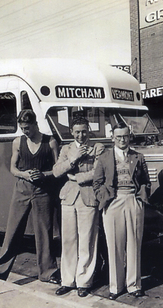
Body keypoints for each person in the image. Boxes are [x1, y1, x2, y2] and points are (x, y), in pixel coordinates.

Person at [0, 109, 60, 284]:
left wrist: (43, 175)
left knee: (44, 233)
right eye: (22, 128)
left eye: (28, 128)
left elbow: (57, 170)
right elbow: (13, 168)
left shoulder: (51, 142)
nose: (25, 131)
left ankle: (48, 272)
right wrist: (25, 175)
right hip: (22, 189)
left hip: (42, 191)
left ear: (35, 125)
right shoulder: (18, 142)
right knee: (13, 230)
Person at [93, 123, 151, 300]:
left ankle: (134, 285)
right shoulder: (104, 157)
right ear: (113, 138)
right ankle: (116, 286)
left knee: (134, 244)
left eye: (125, 136)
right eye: (118, 137)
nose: (122, 140)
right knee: (114, 245)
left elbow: (145, 181)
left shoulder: (138, 157)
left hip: (133, 200)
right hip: (113, 202)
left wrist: (140, 198)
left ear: (129, 137)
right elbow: (97, 183)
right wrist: (106, 199)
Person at [53, 116, 104, 297]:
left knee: (87, 240)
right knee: (68, 240)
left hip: (88, 197)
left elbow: (98, 171)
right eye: (77, 132)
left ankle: (84, 281)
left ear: (88, 131)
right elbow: (56, 171)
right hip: (68, 198)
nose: (81, 135)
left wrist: (77, 177)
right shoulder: (66, 149)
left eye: (84, 131)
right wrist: (73, 160)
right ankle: (67, 280)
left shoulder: (97, 148)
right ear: (71, 132)